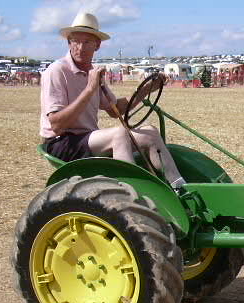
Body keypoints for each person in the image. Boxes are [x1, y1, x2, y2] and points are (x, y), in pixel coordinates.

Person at [40, 12, 185, 189]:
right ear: (68, 42)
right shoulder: (57, 71)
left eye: (86, 42)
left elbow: (115, 109)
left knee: (151, 133)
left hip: (86, 138)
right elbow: (56, 125)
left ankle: (180, 189)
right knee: (120, 134)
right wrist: (89, 89)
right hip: (62, 143)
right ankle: (133, 195)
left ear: (97, 45)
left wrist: (146, 89)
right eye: (75, 41)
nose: (80, 47)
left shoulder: (92, 73)